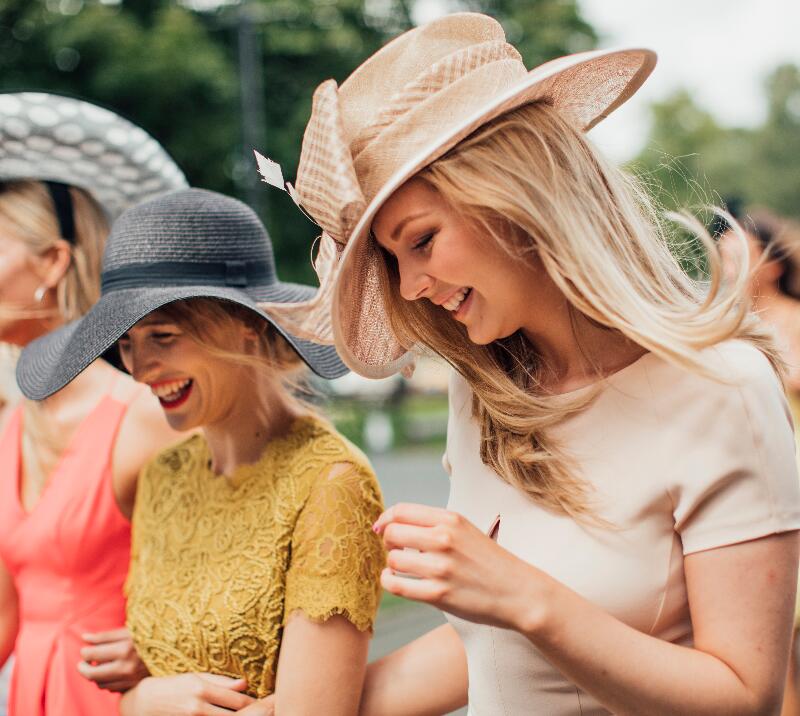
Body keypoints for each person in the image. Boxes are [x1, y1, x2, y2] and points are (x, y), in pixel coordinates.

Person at [283, 13, 800, 714]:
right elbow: (491, 649)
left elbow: (747, 696)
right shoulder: (485, 395)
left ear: (515, 192)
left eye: (422, 241)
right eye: (393, 261)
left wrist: (520, 594)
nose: (409, 288)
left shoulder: (722, 388)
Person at [16, 188, 386, 714]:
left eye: (163, 336)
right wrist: (143, 688)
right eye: (127, 342)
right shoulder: (165, 475)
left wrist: (142, 703)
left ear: (249, 327)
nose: (141, 370)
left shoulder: (329, 484)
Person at [0, 92, 187, 716]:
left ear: (52, 262)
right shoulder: (8, 428)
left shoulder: (145, 416)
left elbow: (229, 584)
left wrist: (159, 641)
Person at [718, 207, 800, 716]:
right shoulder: (726, 327)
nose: (724, 260)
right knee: (777, 640)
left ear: (770, 263)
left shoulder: (792, 318)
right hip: (762, 488)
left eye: (735, 250)